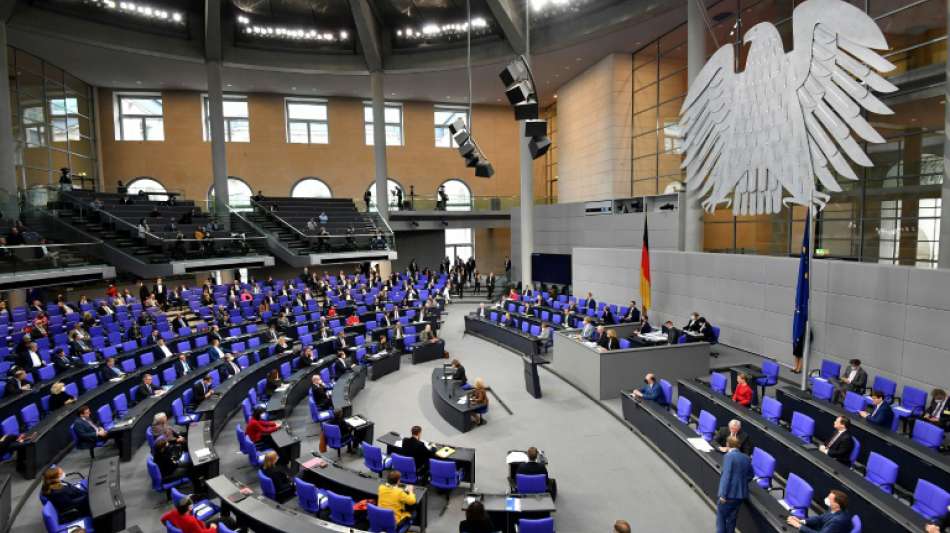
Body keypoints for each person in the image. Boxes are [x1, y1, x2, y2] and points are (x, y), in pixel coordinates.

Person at [716, 436, 753, 533]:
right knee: (732, 520)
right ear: (739, 446)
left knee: (721, 520)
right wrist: (741, 482)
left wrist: (723, 495)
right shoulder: (746, 458)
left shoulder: (729, 456)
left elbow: (726, 476)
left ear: (727, 444)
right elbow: (751, 475)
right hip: (740, 496)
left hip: (728, 495)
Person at [786, 490, 851, 533]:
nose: (826, 499)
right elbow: (820, 518)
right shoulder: (834, 508)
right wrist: (802, 521)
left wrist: (798, 526)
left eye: (829, 499)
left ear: (836, 504)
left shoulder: (838, 521)